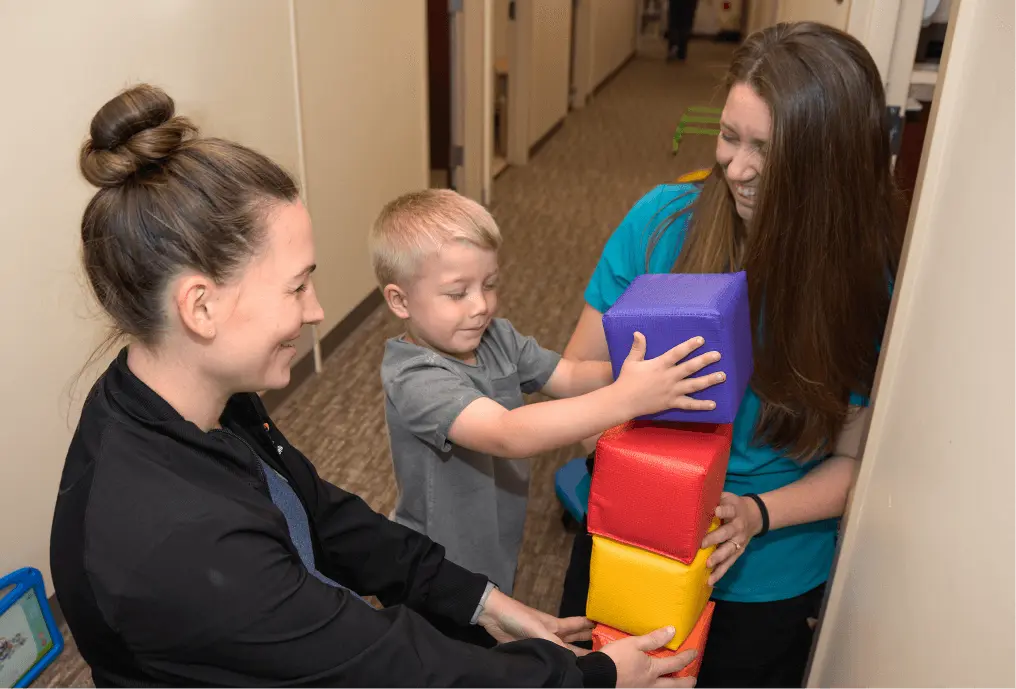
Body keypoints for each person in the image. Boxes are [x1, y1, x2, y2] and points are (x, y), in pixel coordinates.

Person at [49, 84, 700, 689]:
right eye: (297, 284)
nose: (317, 311)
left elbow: (322, 515)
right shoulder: (180, 542)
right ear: (201, 307)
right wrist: (591, 677)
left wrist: (483, 601)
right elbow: (394, 667)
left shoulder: (198, 396)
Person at [559, 22, 906, 688]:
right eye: (728, 135)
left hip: (766, 576)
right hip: (633, 542)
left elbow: (855, 462)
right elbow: (577, 379)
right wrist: (629, 395)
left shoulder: (866, 288)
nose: (735, 167)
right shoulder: (662, 224)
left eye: (765, 151)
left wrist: (757, 514)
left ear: (825, 167)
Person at [370, 189, 724, 597]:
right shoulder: (413, 375)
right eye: (457, 293)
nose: (481, 306)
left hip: (493, 543)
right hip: (436, 568)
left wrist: (633, 375)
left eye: (489, 285)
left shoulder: (495, 337)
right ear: (400, 301)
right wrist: (628, 398)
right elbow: (506, 432)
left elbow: (569, 375)